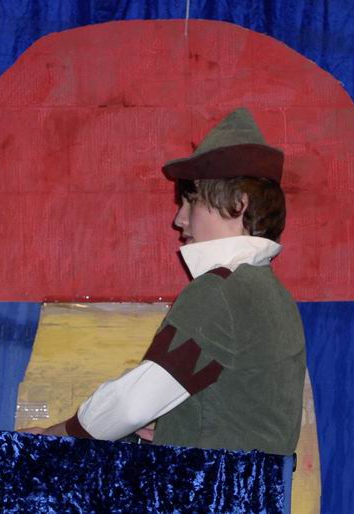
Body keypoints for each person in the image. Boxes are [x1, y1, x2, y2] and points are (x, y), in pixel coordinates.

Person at [22, 108, 306, 455]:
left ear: (238, 203)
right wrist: (177, 427)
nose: (179, 219)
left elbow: (131, 405)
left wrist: (55, 435)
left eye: (192, 201)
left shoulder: (220, 290)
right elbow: (245, 418)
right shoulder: (275, 296)